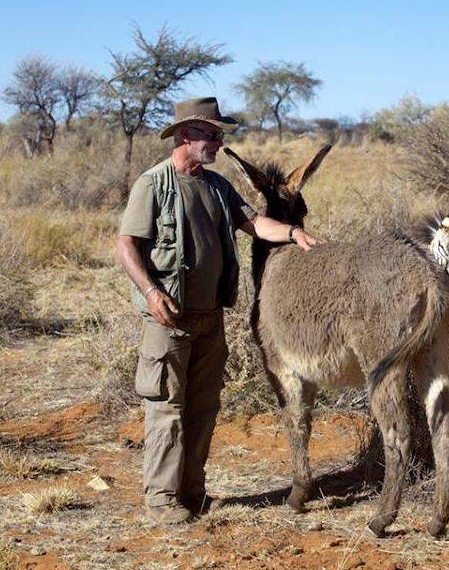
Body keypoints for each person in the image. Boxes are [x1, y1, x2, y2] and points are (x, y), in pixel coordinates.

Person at [116, 97, 321, 524]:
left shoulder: (216, 186)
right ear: (186, 135)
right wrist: (152, 293)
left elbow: (255, 224)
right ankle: (162, 501)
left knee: (204, 407)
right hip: (167, 320)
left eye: (220, 134)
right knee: (168, 409)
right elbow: (126, 245)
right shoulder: (152, 184)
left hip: (210, 318)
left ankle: (192, 493)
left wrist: (294, 232)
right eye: (212, 134)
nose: (218, 142)